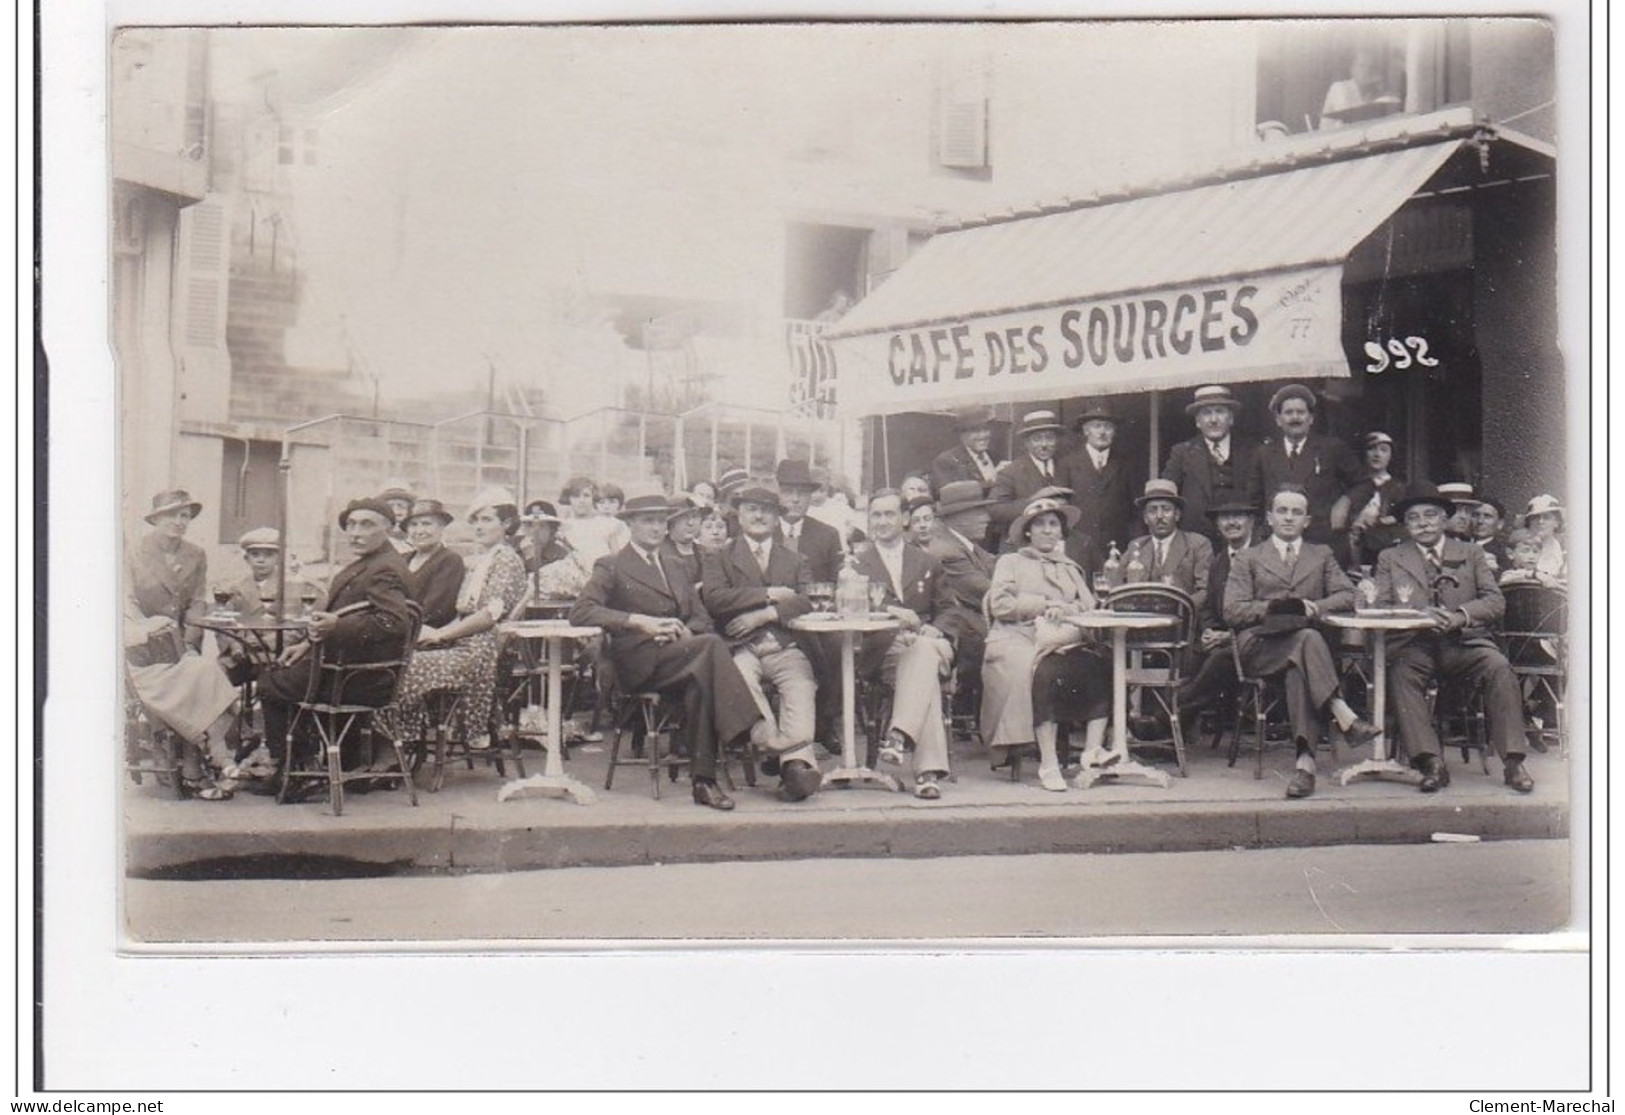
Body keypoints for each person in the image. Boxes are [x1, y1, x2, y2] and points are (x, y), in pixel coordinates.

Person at [569, 493, 792, 811]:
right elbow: (581, 612)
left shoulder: (675, 565)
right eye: (648, 521)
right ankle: (755, 731)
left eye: (662, 521)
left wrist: (690, 631)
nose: (656, 528)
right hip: (639, 663)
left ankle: (704, 783)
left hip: (682, 657)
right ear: (630, 524)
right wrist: (640, 622)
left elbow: (700, 614)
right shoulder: (613, 565)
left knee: (702, 675)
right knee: (710, 649)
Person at [1374, 487, 1536, 794]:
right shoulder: (1391, 557)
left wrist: (1461, 615)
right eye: (1413, 518)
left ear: (1446, 519)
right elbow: (1380, 605)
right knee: (1400, 672)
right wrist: (1418, 614)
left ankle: (1514, 762)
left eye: (1431, 515)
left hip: (1463, 643)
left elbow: (1495, 601)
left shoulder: (1471, 553)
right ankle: (1430, 762)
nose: (1423, 523)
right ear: (1405, 525)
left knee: (1499, 666)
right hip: (1414, 643)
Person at [1225, 486, 1380, 799]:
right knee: (1307, 641)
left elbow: (1348, 594)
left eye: (1296, 512)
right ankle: (1342, 712)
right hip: (1260, 646)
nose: (1288, 518)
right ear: (1269, 518)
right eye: (1282, 511)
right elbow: (1232, 609)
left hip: (1304, 651)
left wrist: (1316, 606)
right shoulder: (1248, 557)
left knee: (1301, 663)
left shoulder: (1321, 554)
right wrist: (1278, 607)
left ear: (1307, 521)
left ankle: (1305, 764)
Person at [256, 498, 416, 788]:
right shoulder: (372, 563)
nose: (355, 532)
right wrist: (306, 643)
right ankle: (326, 765)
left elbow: (394, 623)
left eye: (366, 524)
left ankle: (295, 770)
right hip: (358, 672)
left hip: (357, 679)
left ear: (390, 528)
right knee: (287, 671)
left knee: (269, 682)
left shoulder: (384, 569)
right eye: (351, 524)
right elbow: (349, 614)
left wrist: (336, 626)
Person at [375, 488, 530, 750]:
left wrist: (441, 634)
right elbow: (464, 612)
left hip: (480, 649)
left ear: (506, 524)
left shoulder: (506, 559)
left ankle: (404, 743)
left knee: (404, 670)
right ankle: (403, 742)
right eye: (476, 521)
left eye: (487, 520)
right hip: (464, 641)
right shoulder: (484, 559)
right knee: (391, 664)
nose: (479, 527)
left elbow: (489, 615)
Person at [698, 485, 824, 802]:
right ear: (738, 515)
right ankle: (771, 748)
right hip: (740, 645)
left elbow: (808, 600)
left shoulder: (794, 559)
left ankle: (796, 765)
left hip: (783, 643)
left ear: (777, 518)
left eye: (766, 510)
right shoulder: (720, 556)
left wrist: (765, 614)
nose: (758, 516)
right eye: (751, 509)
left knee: (800, 686)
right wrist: (769, 594)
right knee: (739, 678)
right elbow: (714, 599)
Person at [982, 493, 1114, 793]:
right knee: (1042, 671)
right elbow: (1000, 605)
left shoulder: (1068, 565)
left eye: (1053, 524)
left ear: (1060, 531)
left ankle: (1092, 752)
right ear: (1027, 531)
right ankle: (1049, 762)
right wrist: (1044, 604)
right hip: (1016, 637)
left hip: (1060, 638)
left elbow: (1090, 605)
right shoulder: (1010, 561)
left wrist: (1066, 609)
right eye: (1039, 524)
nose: (1047, 530)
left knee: (1100, 663)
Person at [124, 489, 240, 800]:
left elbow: (198, 601)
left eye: (185, 515)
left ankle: (196, 763)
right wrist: (149, 631)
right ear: (156, 519)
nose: (179, 521)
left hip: (185, 645)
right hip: (145, 650)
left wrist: (189, 640)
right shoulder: (135, 552)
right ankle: (211, 759)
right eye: (172, 514)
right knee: (196, 681)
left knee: (207, 673)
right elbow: (128, 602)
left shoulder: (196, 554)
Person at [848, 490, 956, 799]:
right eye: (876, 515)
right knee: (926, 677)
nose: (881, 521)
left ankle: (899, 735)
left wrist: (934, 629)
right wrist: (894, 615)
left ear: (905, 518)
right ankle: (926, 772)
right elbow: (850, 607)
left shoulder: (927, 561)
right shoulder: (857, 564)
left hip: (927, 641)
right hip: (885, 650)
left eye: (889, 514)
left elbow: (949, 609)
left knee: (922, 651)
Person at [1175, 492, 1261, 732]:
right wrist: (1210, 630)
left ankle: (1169, 715)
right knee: (1189, 653)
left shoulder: (1264, 555)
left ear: (1252, 521)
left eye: (1238, 516)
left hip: (1254, 640)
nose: (1231, 523)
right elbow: (1209, 606)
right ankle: (1179, 731)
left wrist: (1229, 636)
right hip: (1222, 639)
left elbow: (1265, 607)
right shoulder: (1219, 560)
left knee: (1219, 658)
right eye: (1224, 517)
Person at [1246, 384, 1363, 548]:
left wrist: (1345, 502)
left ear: (1311, 418)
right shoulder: (1264, 453)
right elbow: (1254, 500)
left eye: (1301, 412)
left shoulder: (1332, 448)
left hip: (1323, 540)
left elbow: (1364, 484)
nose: (1295, 418)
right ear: (1278, 420)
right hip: (1277, 541)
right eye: (1288, 412)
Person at [919, 480, 999, 714]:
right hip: (966, 633)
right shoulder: (948, 551)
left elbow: (995, 563)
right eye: (979, 511)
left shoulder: (963, 543)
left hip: (972, 625)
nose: (986, 518)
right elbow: (987, 589)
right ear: (958, 517)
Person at [1161, 385, 1255, 542]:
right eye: (1206, 413)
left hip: (1244, 541)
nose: (1213, 420)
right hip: (1196, 542)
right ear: (1197, 421)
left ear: (1231, 418)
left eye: (1219, 411)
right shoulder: (1182, 453)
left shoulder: (1252, 451)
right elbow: (1167, 497)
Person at [1111, 479, 1214, 613]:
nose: (1159, 516)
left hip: (1181, 622)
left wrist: (1180, 609)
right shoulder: (1136, 546)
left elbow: (1205, 590)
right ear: (1145, 518)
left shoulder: (1198, 544)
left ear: (1177, 515)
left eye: (1166, 509)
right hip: (1140, 622)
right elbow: (1117, 586)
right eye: (1152, 511)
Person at [1059, 400, 1137, 568]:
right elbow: (1061, 511)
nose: (1102, 432)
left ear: (1114, 432)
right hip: (1079, 548)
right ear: (1086, 430)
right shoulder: (1067, 464)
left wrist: (1133, 549)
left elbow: (1134, 512)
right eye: (1096, 426)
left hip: (1116, 549)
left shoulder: (1125, 464)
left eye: (1108, 427)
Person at [988, 409, 1068, 547]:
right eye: (1037, 439)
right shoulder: (1011, 472)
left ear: (1057, 439)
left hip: (1060, 546)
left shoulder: (1067, 467)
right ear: (1026, 442)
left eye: (1049, 438)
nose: (1044, 445)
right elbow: (995, 510)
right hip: (1022, 547)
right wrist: (1033, 501)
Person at [1333, 431, 1411, 568]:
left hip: (1386, 553)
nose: (1377, 454)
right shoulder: (1351, 487)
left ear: (1391, 456)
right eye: (1371, 449)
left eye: (1384, 450)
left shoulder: (1399, 489)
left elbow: (1404, 520)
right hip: (1352, 552)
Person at [223, 527, 320, 623]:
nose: (261, 560)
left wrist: (267, 639)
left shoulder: (292, 585)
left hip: (278, 637)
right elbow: (225, 625)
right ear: (246, 558)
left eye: (268, 555)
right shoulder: (235, 588)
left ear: (279, 558)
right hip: (241, 638)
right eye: (255, 554)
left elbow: (297, 625)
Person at [775, 458, 846, 583]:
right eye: (788, 492)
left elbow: (836, 583)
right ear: (778, 495)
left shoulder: (828, 536)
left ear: (810, 497)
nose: (795, 499)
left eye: (802, 493)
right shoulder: (763, 533)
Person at [401, 499, 465, 629]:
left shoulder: (449, 561)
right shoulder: (402, 560)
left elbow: (434, 613)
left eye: (426, 524)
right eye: (413, 525)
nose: (419, 531)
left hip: (425, 633)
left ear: (441, 527)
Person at [931, 405, 1004, 496]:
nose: (983, 436)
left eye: (985, 429)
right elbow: (948, 494)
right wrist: (991, 481)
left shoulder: (994, 456)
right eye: (976, 431)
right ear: (962, 434)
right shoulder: (947, 461)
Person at [558, 476, 630, 566]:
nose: (581, 501)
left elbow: (620, 557)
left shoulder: (609, 524)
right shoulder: (563, 526)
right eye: (576, 496)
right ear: (569, 499)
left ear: (594, 497)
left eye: (586, 496)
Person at [661, 495, 707, 590]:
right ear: (671, 522)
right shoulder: (658, 554)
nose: (690, 523)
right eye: (684, 517)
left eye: (695, 517)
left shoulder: (706, 553)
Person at [1522, 494, 1567, 580]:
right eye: (1535, 518)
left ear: (1557, 523)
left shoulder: (1564, 552)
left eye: (1546, 517)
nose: (1540, 521)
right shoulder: (1520, 548)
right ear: (1529, 523)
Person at [1469, 496, 1512, 572]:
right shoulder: (1459, 543)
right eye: (1476, 515)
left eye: (1487, 516)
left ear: (1500, 524)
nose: (1480, 521)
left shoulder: (1502, 553)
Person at [378, 480, 417, 554]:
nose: (396, 512)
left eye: (401, 506)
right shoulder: (375, 544)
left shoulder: (420, 543)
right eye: (390, 506)